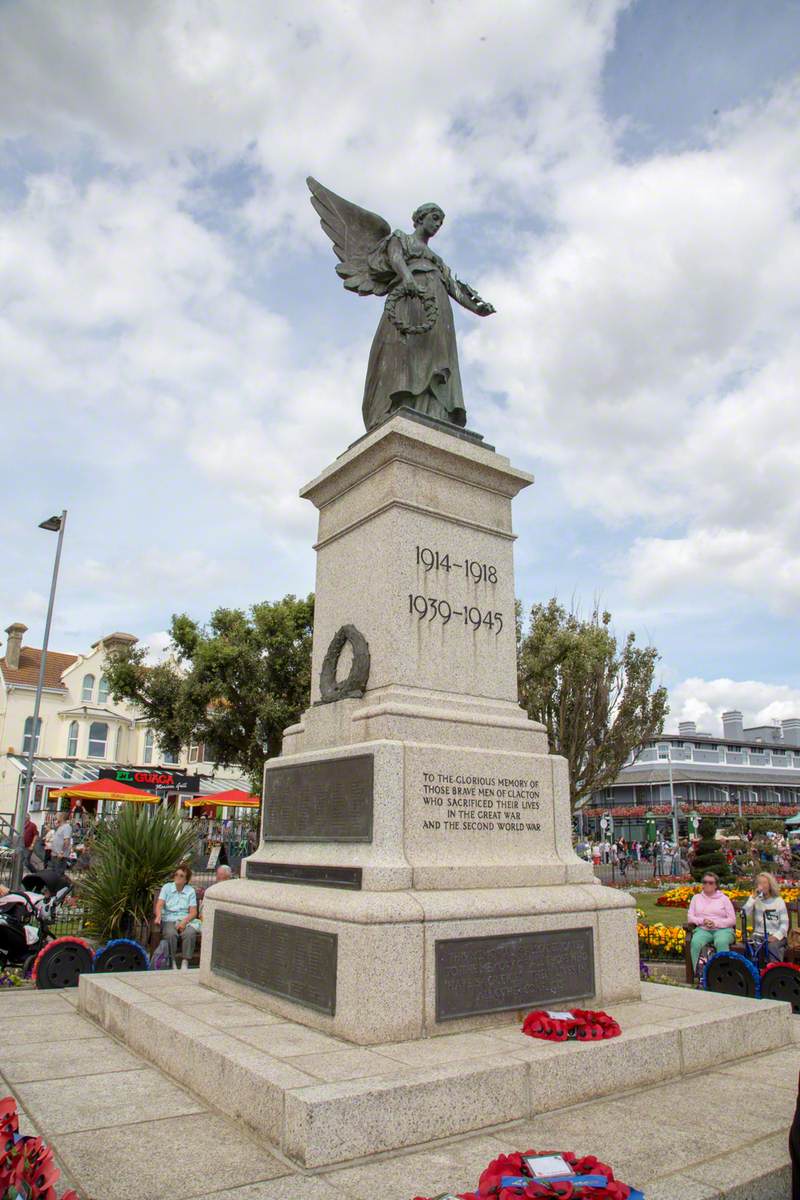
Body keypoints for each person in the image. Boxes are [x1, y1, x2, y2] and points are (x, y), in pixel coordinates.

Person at [687, 872, 737, 971]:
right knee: (696, 942)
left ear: (716, 885)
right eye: (705, 882)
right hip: (703, 929)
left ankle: (724, 973)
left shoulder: (724, 899)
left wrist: (716, 923)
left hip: (723, 930)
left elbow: (732, 920)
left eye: (710, 882)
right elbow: (690, 918)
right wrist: (702, 921)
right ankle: (698, 973)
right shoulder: (696, 898)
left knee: (721, 941)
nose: (707, 885)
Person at [154, 863, 198, 970]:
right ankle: (172, 960)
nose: (177, 877)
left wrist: (184, 921)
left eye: (181, 876)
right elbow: (159, 904)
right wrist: (158, 915)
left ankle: (185, 961)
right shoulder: (167, 887)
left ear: (186, 880)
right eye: (176, 874)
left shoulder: (190, 891)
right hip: (169, 918)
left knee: (190, 933)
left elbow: (193, 912)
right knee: (171, 934)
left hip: (184, 919)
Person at [743, 871, 789, 962]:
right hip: (759, 935)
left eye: (765, 883)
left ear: (770, 885)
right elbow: (744, 913)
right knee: (751, 946)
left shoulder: (778, 901)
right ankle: (755, 972)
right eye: (759, 883)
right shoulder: (756, 900)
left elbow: (785, 924)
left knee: (772, 946)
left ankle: (775, 972)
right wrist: (753, 897)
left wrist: (776, 936)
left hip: (776, 935)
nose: (762, 885)